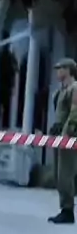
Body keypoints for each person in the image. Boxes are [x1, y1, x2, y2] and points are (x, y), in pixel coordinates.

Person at [48, 57, 77, 224]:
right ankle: (64, 207)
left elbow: (74, 112)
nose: (58, 72)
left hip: (69, 137)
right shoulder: (60, 91)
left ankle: (68, 211)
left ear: (68, 70)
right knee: (59, 175)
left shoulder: (74, 88)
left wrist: (68, 132)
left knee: (66, 174)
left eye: (60, 68)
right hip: (59, 138)